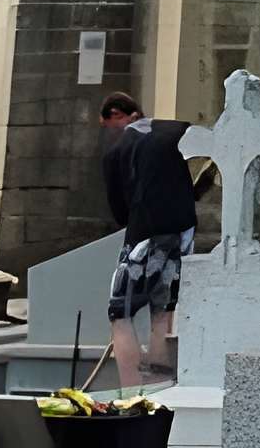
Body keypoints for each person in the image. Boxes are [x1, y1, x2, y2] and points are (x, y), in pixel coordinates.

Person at [99, 91, 196, 383]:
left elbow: (120, 213)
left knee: (121, 313)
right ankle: (160, 389)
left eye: (107, 125)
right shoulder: (176, 131)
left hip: (144, 237)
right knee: (162, 312)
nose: (110, 134)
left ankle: (131, 392)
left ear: (117, 114)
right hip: (183, 235)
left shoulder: (116, 153)